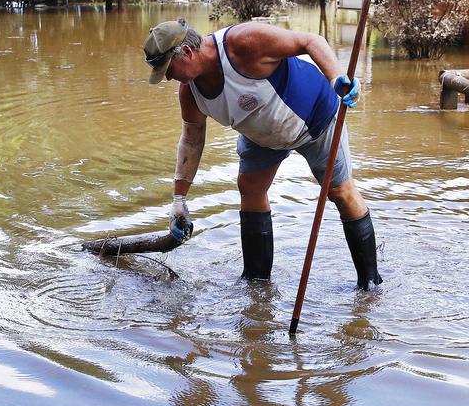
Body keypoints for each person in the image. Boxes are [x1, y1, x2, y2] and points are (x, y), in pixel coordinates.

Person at [143, 17, 382, 289]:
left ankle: (370, 283)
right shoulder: (190, 93)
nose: (168, 78)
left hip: (315, 117)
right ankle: (257, 283)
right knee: (250, 187)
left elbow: (310, 41)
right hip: (262, 134)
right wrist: (178, 200)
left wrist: (336, 76)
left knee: (339, 192)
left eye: (168, 69)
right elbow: (191, 142)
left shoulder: (243, 42)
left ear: (186, 52)